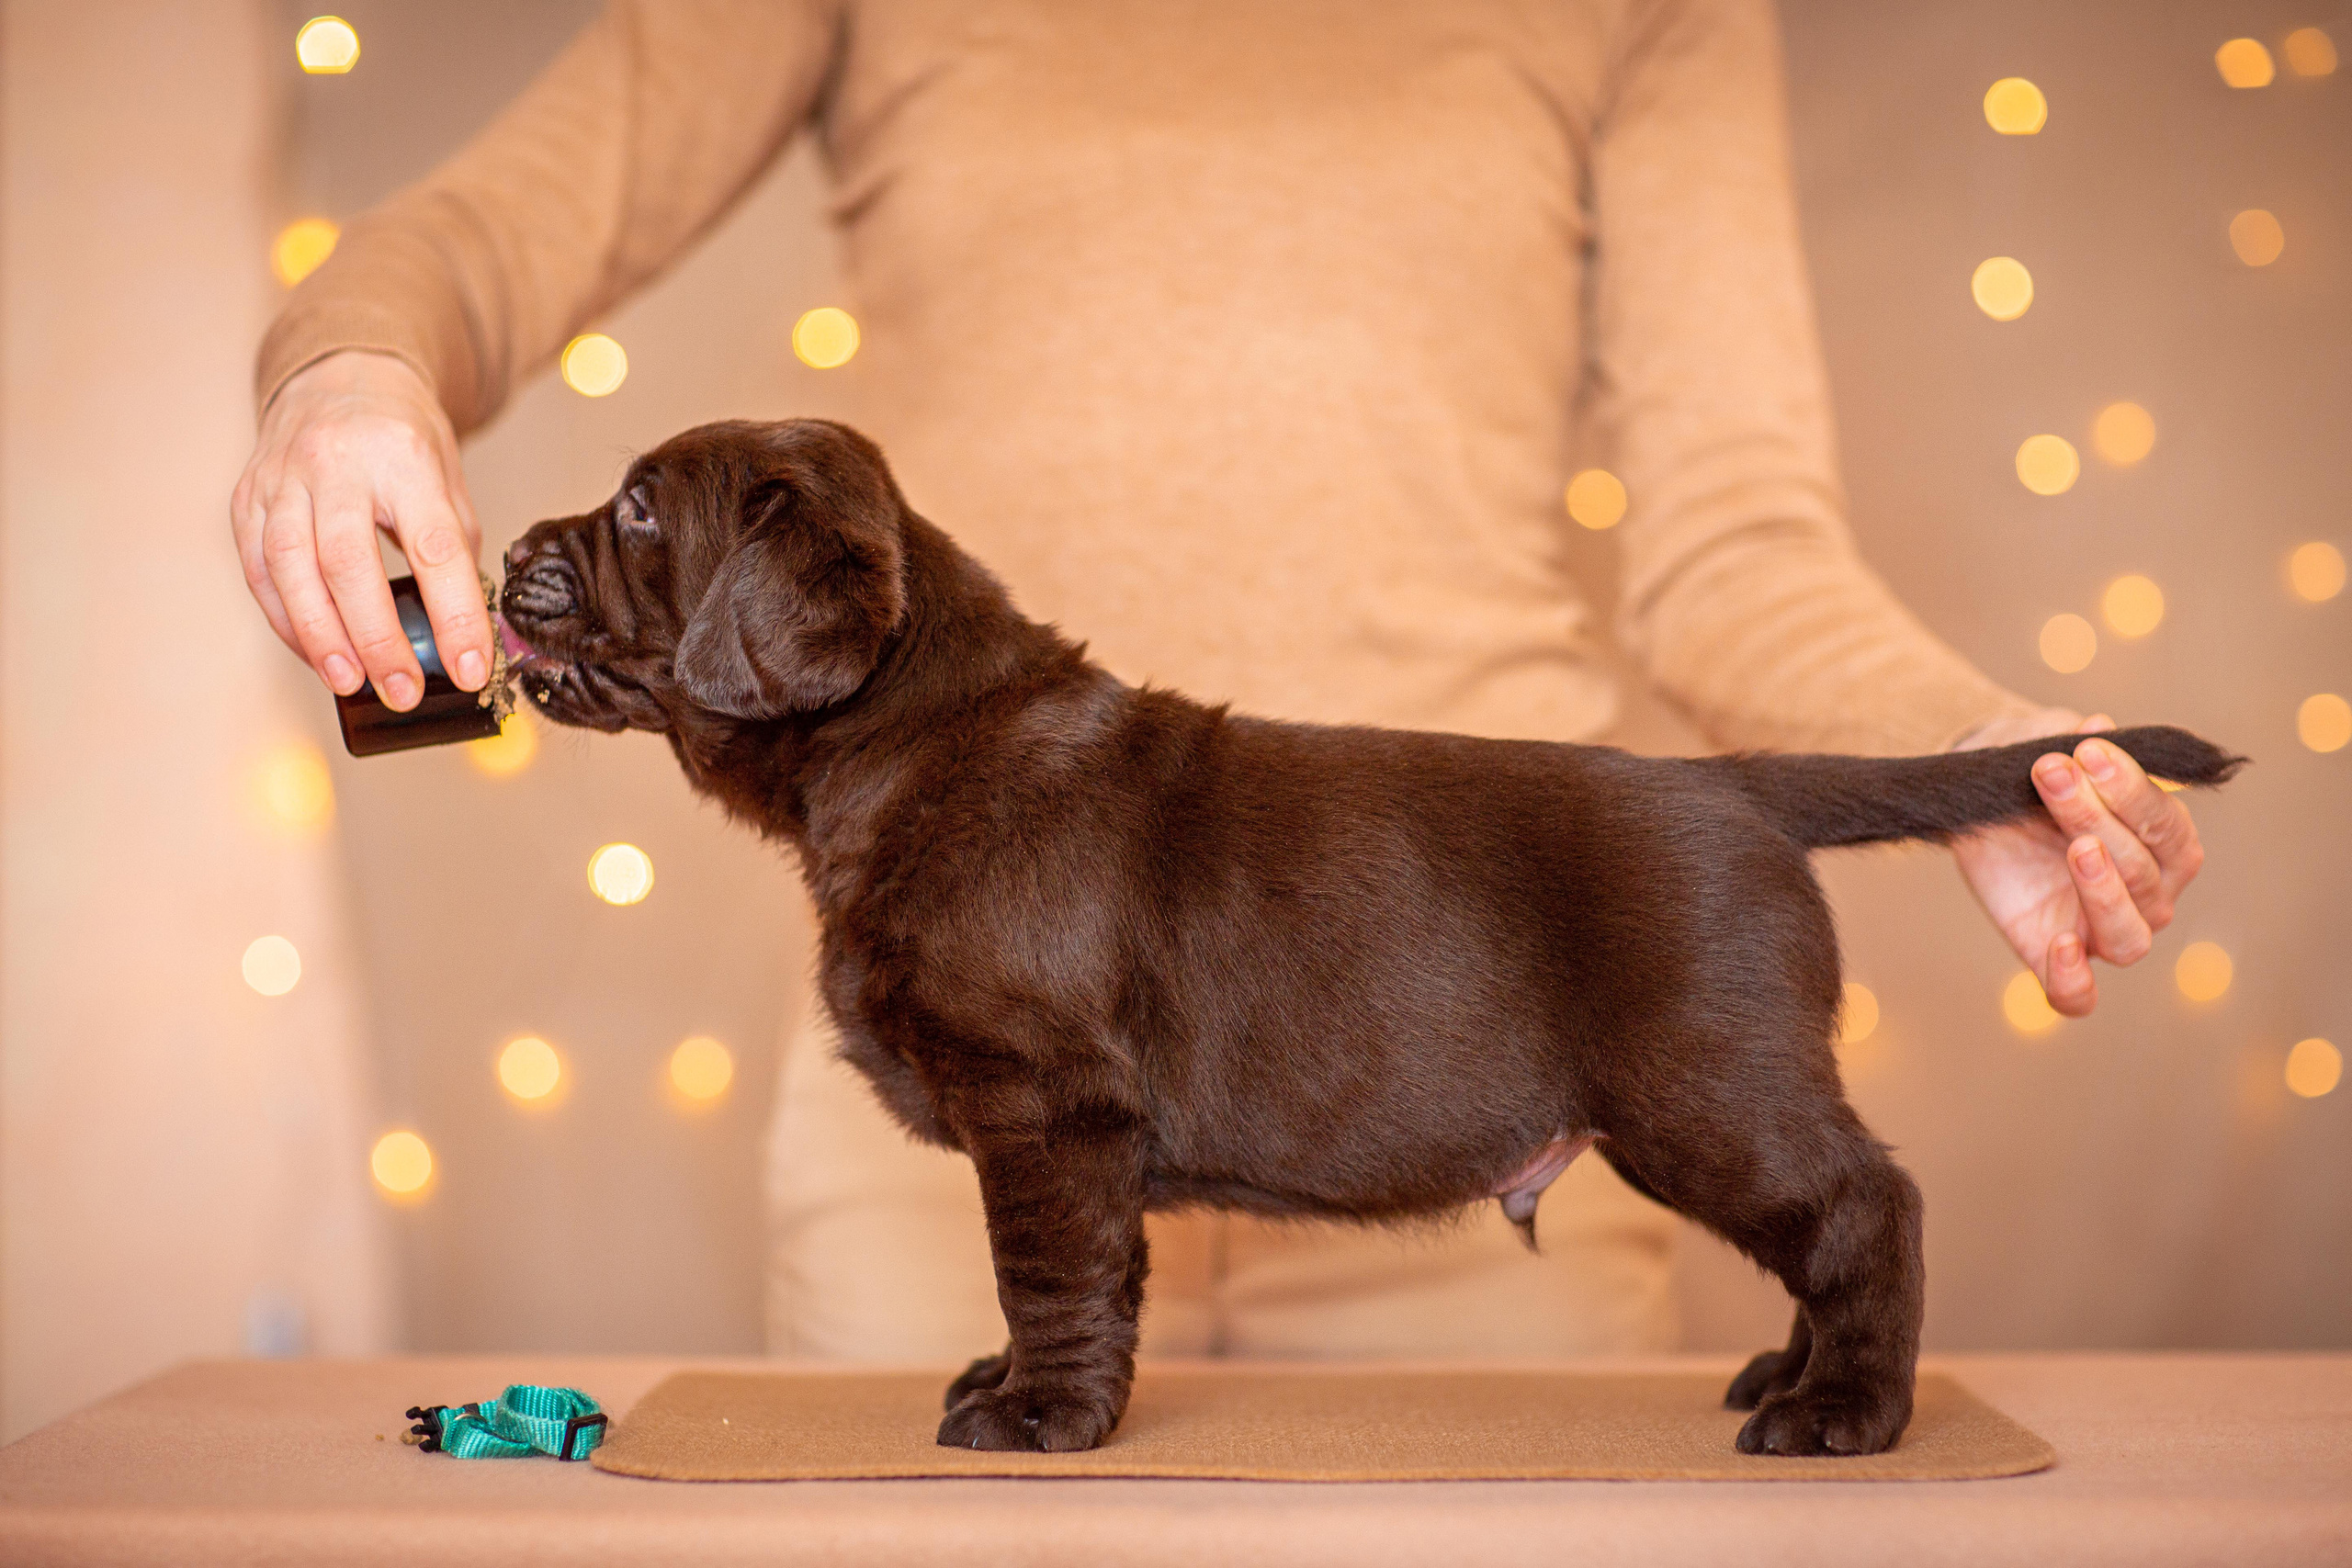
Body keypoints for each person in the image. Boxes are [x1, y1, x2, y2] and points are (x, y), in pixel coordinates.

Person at [233, 0, 2208, 1359]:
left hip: (1466, 1041)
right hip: (957, 1103)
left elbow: (1735, 532)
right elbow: (479, 237)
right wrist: (350, 377)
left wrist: (1965, 750)